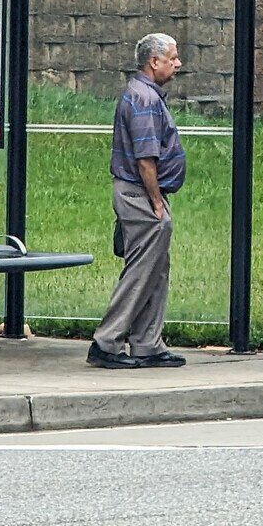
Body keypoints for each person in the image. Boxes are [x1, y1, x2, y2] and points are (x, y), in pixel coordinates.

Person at [90, 32, 188, 369]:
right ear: (154, 62)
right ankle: (106, 342)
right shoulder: (144, 98)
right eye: (172, 58)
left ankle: (147, 343)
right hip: (141, 194)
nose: (178, 64)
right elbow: (146, 159)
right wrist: (157, 202)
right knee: (142, 270)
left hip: (144, 194)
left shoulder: (146, 94)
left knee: (156, 270)